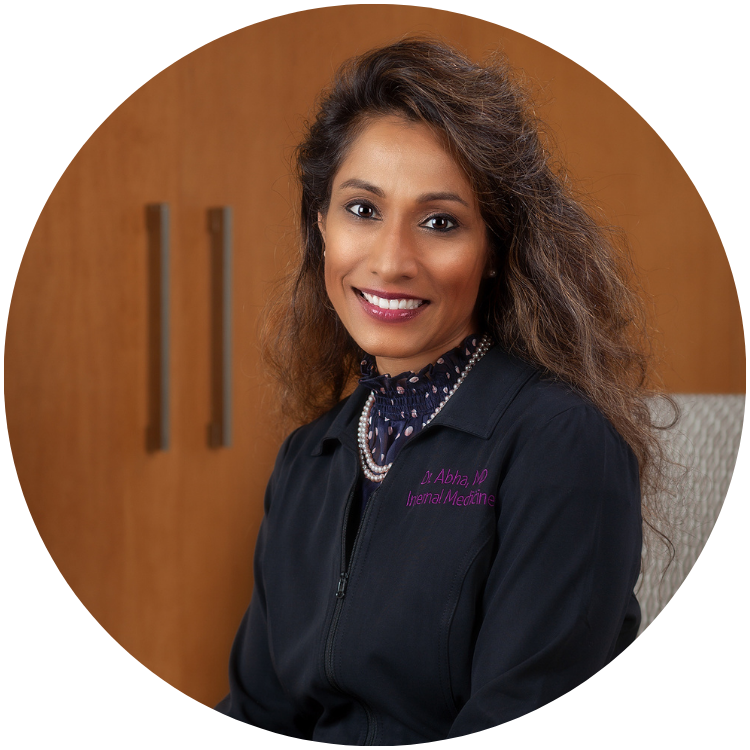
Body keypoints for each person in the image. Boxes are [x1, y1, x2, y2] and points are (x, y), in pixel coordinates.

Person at [214, 36, 677, 742]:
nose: (391, 260)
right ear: (321, 225)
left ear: (493, 250)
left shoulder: (562, 445)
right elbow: (260, 711)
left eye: (440, 223)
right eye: (362, 210)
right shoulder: (309, 459)